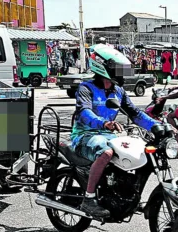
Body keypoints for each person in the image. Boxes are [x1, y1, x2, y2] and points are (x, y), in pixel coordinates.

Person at [71, 44, 166, 219]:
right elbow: (84, 113)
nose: (121, 73)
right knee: (107, 152)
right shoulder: (86, 88)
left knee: (137, 154)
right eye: (117, 69)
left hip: (108, 135)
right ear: (102, 67)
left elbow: (135, 114)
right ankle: (89, 199)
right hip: (85, 135)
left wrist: (157, 126)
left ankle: (128, 196)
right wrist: (104, 123)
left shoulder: (118, 91)